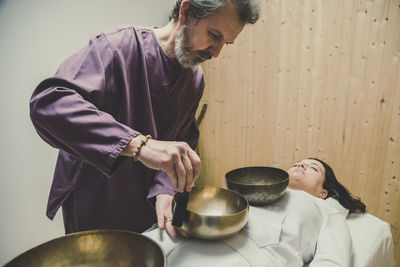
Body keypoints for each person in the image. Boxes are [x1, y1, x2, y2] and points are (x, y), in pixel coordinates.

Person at [29, 0, 260, 238]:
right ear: (186, 12)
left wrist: (164, 189)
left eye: (226, 43)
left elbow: (182, 140)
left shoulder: (195, 80)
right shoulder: (118, 47)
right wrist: (140, 145)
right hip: (96, 203)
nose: (217, 52)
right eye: (214, 35)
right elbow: (48, 104)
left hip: (144, 210)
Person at [143, 158, 367, 266]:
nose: (301, 165)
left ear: (323, 192)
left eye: (313, 167)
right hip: (190, 237)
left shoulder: (325, 209)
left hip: (245, 256)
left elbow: (333, 260)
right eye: (298, 162)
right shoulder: (251, 189)